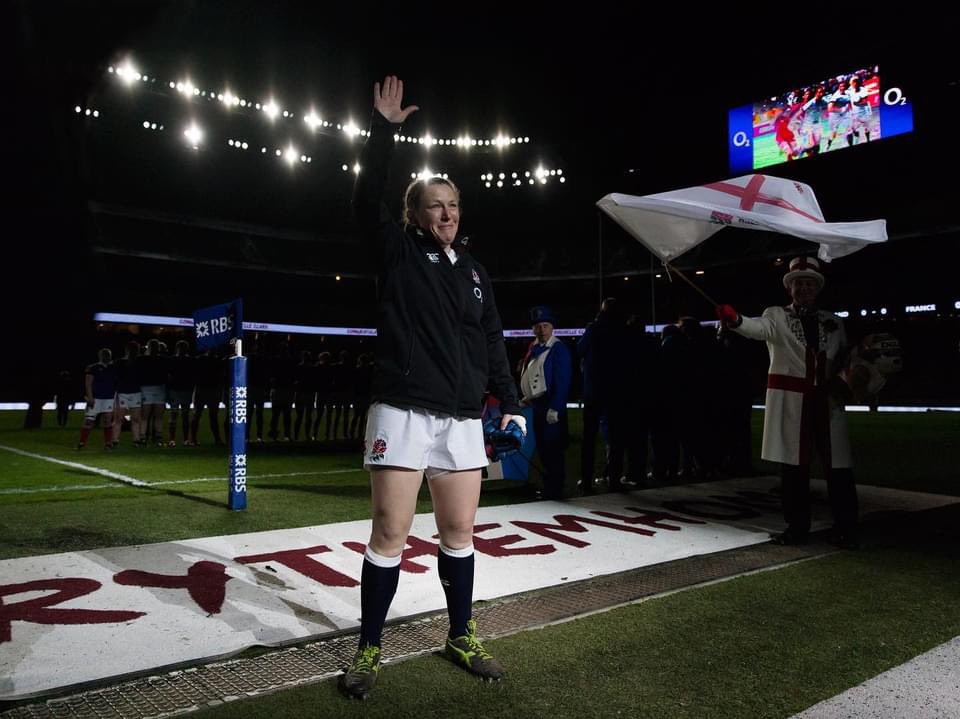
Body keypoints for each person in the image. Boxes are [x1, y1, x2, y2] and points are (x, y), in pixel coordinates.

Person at [339, 75, 526, 700]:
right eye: (434, 205)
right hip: (402, 411)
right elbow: (367, 201)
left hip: (462, 417)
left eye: (453, 205)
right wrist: (383, 132)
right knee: (390, 533)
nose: (446, 213)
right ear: (414, 214)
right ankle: (369, 645)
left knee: (459, 535)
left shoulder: (475, 272)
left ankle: (460, 634)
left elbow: (492, 341)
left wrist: (512, 402)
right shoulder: (396, 253)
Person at [717, 256, 859, 548]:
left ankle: (847, 528)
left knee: (839, 470)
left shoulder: (834, 321)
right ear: (790, 288)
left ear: (817, 288)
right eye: (799, 283)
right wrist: (736, 320)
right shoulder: (776, 315)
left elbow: (846, 357)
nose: (804, 288)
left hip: (828, 401)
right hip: (794, 402)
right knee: (794, 471)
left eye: (809, 283)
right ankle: (797, 528)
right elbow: (757, 329)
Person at [520, 306, 572, 499]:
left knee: (553, 450)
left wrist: (556, 407)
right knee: (543, 449)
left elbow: (562, 380)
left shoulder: (558, 348)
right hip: (539, 406)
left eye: (545, 325)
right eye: (538, 326)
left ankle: (555, 489)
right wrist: (528, 399)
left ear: (552, 328)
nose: (541, 329)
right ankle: (550, 486)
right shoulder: (535, 347)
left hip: (550, 406)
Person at [77, 348, 116, 450]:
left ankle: (108, 443)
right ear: (100, 356)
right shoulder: (93, 368)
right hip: (96, 398)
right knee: (89, 421)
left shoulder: (113, 367)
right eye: (104, 355)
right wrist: (90, 397)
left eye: (108, 355)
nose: (106, 357)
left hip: (109, 398)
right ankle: (82, 443)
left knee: (107, 421)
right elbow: (88, 383)